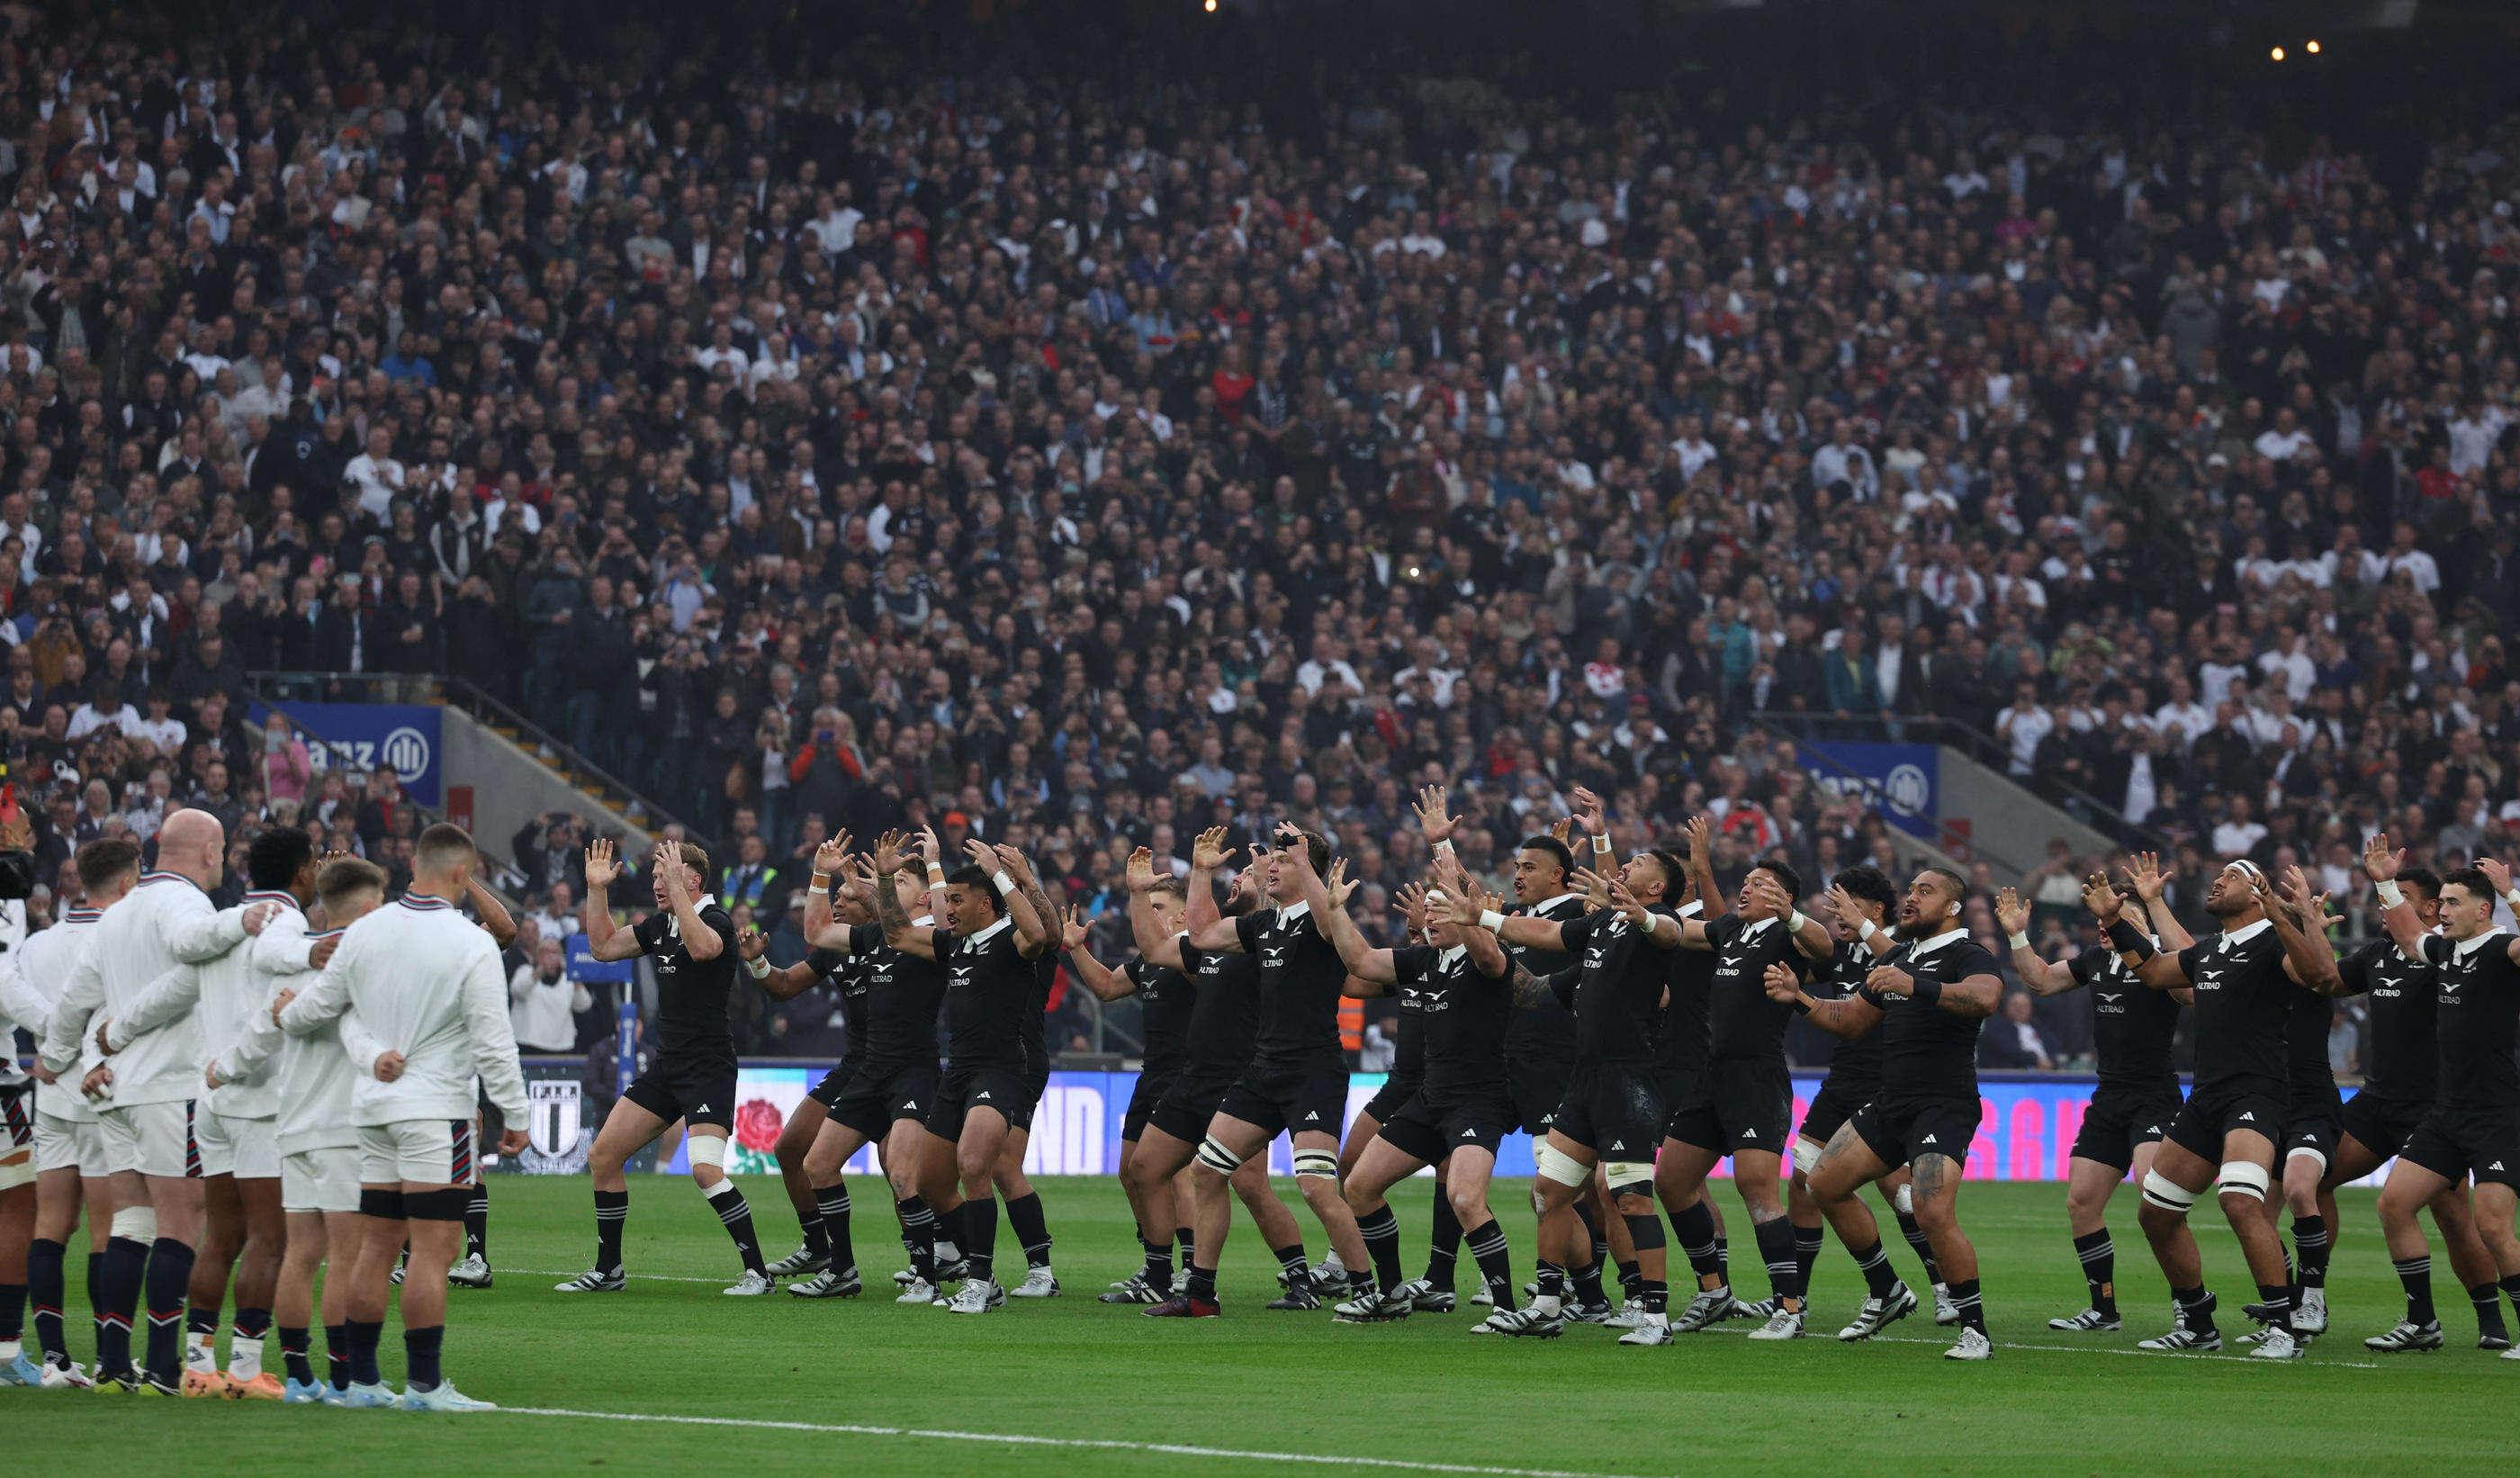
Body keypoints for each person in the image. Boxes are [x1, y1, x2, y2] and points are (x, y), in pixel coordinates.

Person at [276, 824, 530, 1410]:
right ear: (463, 874)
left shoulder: (365, 932)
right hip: (436, 1111)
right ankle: (423, 1385)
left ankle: (363, 1383)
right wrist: (515, 1114)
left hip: (372, 1112)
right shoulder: (469, 943)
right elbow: (493, 1041)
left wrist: (284, 1015)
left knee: (375, 1248)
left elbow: (319, 1009)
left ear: (415, 866)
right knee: (435, 1251)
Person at [40, 808, 268, 1393]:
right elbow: (196, 950)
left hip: (118, 1090)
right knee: (183, 1218)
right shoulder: (186, 906)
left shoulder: (116, 917)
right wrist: (244, 921)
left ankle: (116, 1364)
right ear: (211, 851)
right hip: (170, 1085)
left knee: (132, 1221)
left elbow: (73, 1000)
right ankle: (167, 1365)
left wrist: (63, 1056)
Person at [2088, 860, 2341, 1360]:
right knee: (2155, 1212)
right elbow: (2158, 971)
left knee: (2241, 1201)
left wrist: (2281, 915)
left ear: (2257, 893)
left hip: (2258, 1094)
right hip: (2206, 1097)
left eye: (2234, 875)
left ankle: (2282, 1328)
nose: (2218, 880)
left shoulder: (2273, 943)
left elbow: (2321, 974)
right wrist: (2116, 923)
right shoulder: (2210, 950)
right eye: (2218, 875)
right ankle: (2199, 1322)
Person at [1447, 827, 1691, 1340]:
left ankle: (1654, 1316)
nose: (1630, 864)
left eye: (1642, 861)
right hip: (1584, 1082)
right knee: (1549, 1193)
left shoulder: (1658, 924)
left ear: (1655, 889)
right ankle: (1549, 1303)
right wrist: (1484, 923)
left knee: (1630, 1198)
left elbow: (1670, 934)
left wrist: (1644, 915)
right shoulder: (1600, 926)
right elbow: (1544, 945)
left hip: (1630, 1082)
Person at [107, 827, 317, 1394]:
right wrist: (234, 1064)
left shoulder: (225, 922)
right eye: (314, 864)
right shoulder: (286, 924)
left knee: (222, 1236)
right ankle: (246, 1369)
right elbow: (279, 1015)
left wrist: (116, 1032)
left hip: (211, 1105)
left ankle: (198, 1364)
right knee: (270, 1239)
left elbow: (173, 990)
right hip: (258, 1100)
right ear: (301, 873)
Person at [1784, 867, 2007, 1360]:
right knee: (1821, 1184)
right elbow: (1852, 1020)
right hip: (1891, 1102)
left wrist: (1917, 987)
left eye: (1924, 892)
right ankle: (1886, 1288)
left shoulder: (1967, 954)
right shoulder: (1902, 955)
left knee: (1931, 1212)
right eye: (1910, 889)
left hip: (1943, 1104)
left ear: (1952, 909)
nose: (1910, 898)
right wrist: (1799, 998)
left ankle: (1975, 1331)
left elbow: (1987, 997)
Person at [1154, 825, 1375, 1318]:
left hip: (1312, 1072)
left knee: (1316, 1186)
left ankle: (1367, 1293)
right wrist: (1202, 871)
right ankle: (1200, 1295)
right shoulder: (1264, 925)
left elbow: (1326, 918)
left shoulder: (1325, 916)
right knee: (1206, 1172)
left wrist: (1306, 860)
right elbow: (1206, 932)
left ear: (1308, 870)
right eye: (1270, 860)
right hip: (1263, 1069)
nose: (1270, 867)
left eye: (1283, 860)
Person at [555, 836, 775, 1295]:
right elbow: (602, 948)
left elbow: (703, 950)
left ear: (692, 880)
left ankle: (758, 1272)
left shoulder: (715, 920)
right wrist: (598, 889)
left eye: (665, 875)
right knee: (603, 1156)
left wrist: (676, 893)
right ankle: (609, 1270)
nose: (656, 883)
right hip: (668, 1065)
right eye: (656, 876)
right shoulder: (660, 925)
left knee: (704, 1168)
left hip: (708, 1066)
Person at [219, 854, 389, 1401]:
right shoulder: (364, 966)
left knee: (302, 1252)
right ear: (365, 907)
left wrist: (221, 1070)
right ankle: (342, 1376)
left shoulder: (292, 966)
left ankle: (298, 1376)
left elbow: (258, 1036)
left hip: (290, 1127)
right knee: (346, 1254)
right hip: (342, 1128)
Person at [1997, 855, 2191, 1335]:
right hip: (2110, 1097)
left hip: (2155, 1096)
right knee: (2082, 1201)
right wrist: (2018, 934)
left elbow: (2192, 994)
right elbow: (2041, 981)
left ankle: (2190, 1306)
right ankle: (2103, 1309)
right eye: (2102, 919)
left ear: (2140, 922)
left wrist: (2147, 934)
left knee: (2155, 1197)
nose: (2106, 926)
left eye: (2117, 916)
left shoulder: (2160, 962)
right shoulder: (2095, 960)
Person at [868, 830, 1058, 1313]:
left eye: (956, 899)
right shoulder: (956, 945)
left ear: (987, 905)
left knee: (976, 1166)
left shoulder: (1014, 942)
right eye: (945, 898)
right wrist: (887, 880)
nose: (946, 907)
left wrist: (999, 871)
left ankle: (981, 1280)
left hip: (1001, 1071)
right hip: (957, 1074)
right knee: (931, 1182)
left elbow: (1040, 934)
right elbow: (896, 932)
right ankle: (981, 1275)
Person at [1124, 836, 1314, 1315]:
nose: (1241, 880)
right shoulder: (1211, 942)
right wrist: (1136, 893)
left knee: (1250, 1185)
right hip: (1194, 1077)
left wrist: (1259, 883)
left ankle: (1301, 1281)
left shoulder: (1266, 940)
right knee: (1145, 1168)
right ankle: (1167, 1275)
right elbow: (1153, 947)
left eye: (1249, 875)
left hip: (1241, 1080)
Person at [1656, 835, 1833, 1338]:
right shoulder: (1732, 929)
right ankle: (1714, 1291)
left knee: (1756, 1189)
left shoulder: (1788, 934)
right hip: (1711, 1076)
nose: (1748, 888)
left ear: (1783, 898)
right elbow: (1679, 931)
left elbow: (1824, 946)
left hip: (1757, 1078)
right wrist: (1637, 914)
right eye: (1749, 881)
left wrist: (1793, 916)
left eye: (1761, 883)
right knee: (1671, 1181)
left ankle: (1789, 1308)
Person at [757, 833, 949, 1301]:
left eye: (904, 880)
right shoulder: (874, 938)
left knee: (902, 1173)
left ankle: (927, 1271)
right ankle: (840, 1270)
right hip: (868, 1072)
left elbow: (937, 925)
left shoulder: (930, 938)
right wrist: (821, 875)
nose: (891, 885)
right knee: (817, 1164)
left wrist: (894, 876)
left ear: (922, 895)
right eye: (894, 880)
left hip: (912, 1071)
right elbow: (817, 934)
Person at [1319, 864, 1511, 1325]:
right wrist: (1335, 909)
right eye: (1429, 913)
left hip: (1478, 1101)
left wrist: (1455, 876)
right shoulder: (1421, 961)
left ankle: (1507, 1308)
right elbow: (1361, 963)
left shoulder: (1488, 960)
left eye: (1442, 912)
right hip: (1428, 1099)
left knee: (1465, 1199)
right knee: (1359, 1187)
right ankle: (1392, 1295)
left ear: (1466, 915)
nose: (1431, 921)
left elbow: (1486, 949)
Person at [2338, 838, 2507, 1351]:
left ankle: (2499, 1325)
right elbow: (2404, 934)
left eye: (2453, 903)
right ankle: (2415, 1321)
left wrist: (2510, 891)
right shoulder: (2425, 952)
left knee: (2476, 1222)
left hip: (2472, 1110)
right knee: (2365, 1195)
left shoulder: (2489, 951)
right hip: (2414, 1108)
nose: (2444, 912)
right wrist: (2383, 883)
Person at [1781, 865, 1942, 1325]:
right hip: (1841, 1083)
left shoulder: (1901, 949)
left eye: (1847, 905)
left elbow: (1902, 963)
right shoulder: (1842, 955)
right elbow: (1804, 964)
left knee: (1901, 1193)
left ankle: (1942, 1286)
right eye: (1833, 905)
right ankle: (1798, 1298)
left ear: (1875, 910)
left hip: (1885, 1085)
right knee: (1802, 1182)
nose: (1838, 914)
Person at [3, 839, 136, 1387]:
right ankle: (109, 1359)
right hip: (103, 1091)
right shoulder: (121, 939)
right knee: (107, 1228)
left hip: (51, 1095)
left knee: (50, 1223)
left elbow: (26, 1010)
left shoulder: (37, 944)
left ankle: (53, 1357)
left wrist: (53, 1053)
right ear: (126, 882)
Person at [1049, 874, 1192, 1303]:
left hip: (1190, 1076)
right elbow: (1108, 987)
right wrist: (1076, 948)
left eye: (1159, 908)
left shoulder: (1194, 953)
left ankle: (1189, 1271)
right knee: (1130, 1171)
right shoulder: (1150, 960)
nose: (1150, 917)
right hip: (1153, 1075)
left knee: (1175, 1175)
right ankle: (1156, 1267)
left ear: (1185, 915)